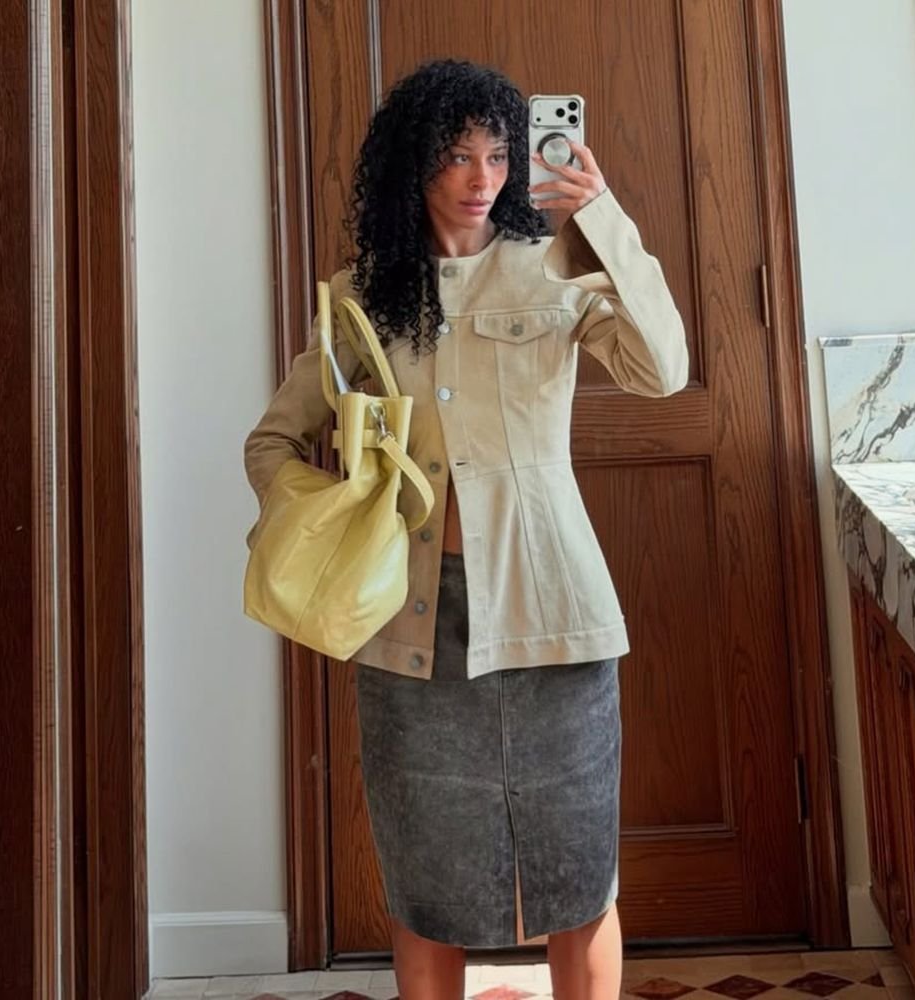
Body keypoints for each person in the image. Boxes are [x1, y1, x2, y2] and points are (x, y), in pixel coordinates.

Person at [244, 59, 687, 1000]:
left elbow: (663, 371)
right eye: (457, 155)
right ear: (416, 164)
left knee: (580, 880)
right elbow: (273, 442)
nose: (482, 176)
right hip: (410, 632)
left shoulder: (559, 267)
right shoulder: (361, 296)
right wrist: (328, 512)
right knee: (426, 891)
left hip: (553, 616)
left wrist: (603, 218)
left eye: (497, 153)